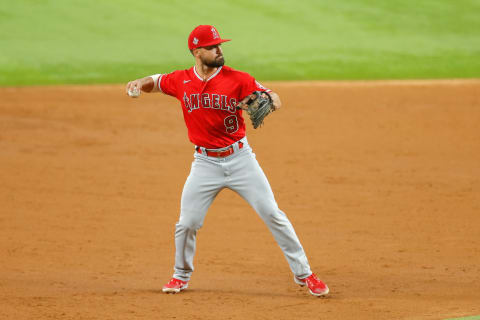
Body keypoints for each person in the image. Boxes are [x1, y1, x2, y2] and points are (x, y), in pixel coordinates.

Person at [125, 25, 329, 297]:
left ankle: (305, 274)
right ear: (196, 51)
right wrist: (139, 83)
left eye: (220, 45)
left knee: (272, 214)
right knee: (187, 223)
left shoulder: (239, 79)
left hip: (240, 159)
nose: (219, 50)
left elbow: (275, 99)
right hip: (205, 164)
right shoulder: (182, 80)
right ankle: (180, 275)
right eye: (212, 47)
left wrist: (266, 100)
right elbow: (158, 81)